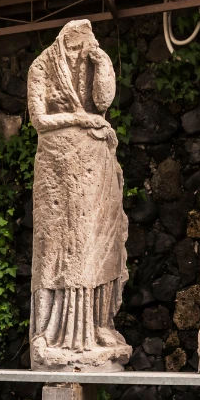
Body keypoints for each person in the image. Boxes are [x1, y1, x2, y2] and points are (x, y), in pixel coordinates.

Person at [27, 20, 130, 371]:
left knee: (100, 243)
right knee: (59, 245)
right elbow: (39, 119)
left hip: (96, 161)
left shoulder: (94, 60)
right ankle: (56, 333)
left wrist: (102, 63)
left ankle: (97, 325)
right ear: (61, 43)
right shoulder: (41, 66)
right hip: (58, 165)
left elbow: (103, 101)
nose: (79, 52)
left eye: (84, 46)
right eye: (74, 47)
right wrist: (79, 119)